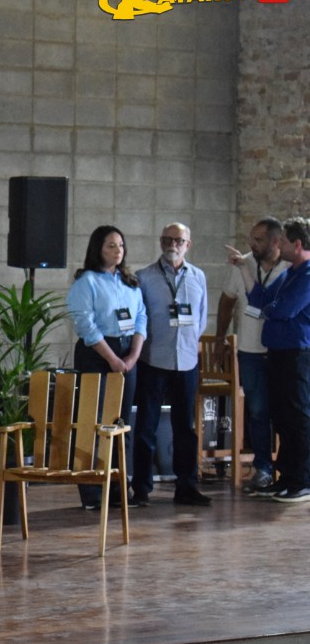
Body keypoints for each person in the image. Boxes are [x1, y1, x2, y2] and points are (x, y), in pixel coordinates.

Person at [228, 216, 310, 503]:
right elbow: (262, 300)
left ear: (297, 245)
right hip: (277, 353)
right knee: (283, 418)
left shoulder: (307, 274)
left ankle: (302, 480)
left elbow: (284, 310)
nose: (278, 245)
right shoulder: (290, 274)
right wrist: (244, 268)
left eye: (283, 241)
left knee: (298, 416)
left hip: (298, 355)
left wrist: (269, 309)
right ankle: (285, 477)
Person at [67, 225, 147, 509]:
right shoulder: (86, 281)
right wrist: (112, 358)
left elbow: (141, 318)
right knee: (93, 421)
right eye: (111, 246)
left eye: (121, 245)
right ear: (97, 249)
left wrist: (133, 355)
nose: (117, 251)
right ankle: (91, 492)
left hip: (127, 353)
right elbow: (85, 324)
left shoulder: (129, 282)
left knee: (120, 423)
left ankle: (118, 489)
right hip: (97, 353)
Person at [131, 222, 210, 506]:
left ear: (188, 245)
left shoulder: (198, 276)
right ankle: (141, 489)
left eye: (178, 240)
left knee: (185, 428)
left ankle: (186, 487)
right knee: (146, 427)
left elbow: (201, 317)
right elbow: (139, 318)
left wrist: (189, 342)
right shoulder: (144, 277)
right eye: (167, 239)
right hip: (153, 359)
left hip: (187, 361)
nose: (172, 245)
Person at [215, 217, 287, 494]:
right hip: (250, 350)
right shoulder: (242, 263)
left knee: (285, 412)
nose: (252, 244)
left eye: (258, 239)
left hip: (282, 351)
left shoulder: (289, 267)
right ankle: (263, 469)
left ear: (276, 242)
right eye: (251, 239)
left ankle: (289, 471)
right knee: (258, 412)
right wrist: (220, 337)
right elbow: (227, 301)